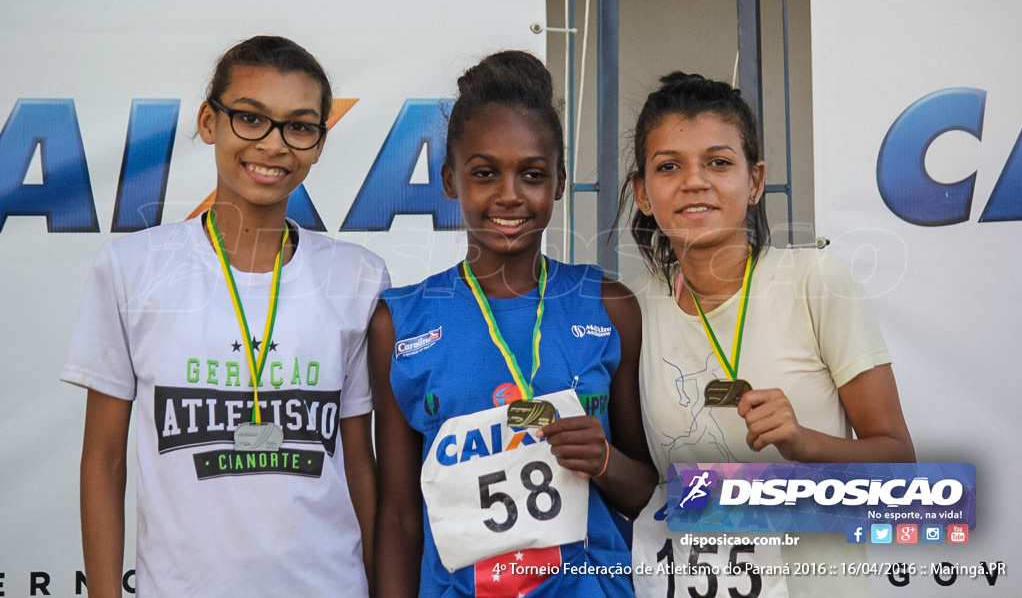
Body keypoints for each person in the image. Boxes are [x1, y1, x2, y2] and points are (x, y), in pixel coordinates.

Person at [62, 36, 388, 597]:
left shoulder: (358, 276)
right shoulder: (132, 267)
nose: (274, 144)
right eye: (251, 119)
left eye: (299, 126)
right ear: (209, 122)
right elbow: (103, 460)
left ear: (318, 144)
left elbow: (360, 462)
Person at [370, 50, 656, 597]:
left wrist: (603, 461)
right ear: (450, 181)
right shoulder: (400, 320)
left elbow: (645, 491)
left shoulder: (607, 303)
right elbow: (401, 514)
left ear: (559, 183)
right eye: (484, 173)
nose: (508, 195)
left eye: (531, 174)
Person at [621, 72, 915, 597]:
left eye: (719, 162)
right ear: (643, 192)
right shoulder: (632, 308)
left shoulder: (816, 281)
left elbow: (901, 467)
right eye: (669, 166)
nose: (694, 181)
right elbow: (646, 486)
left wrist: (804, 443)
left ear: (754, 181)